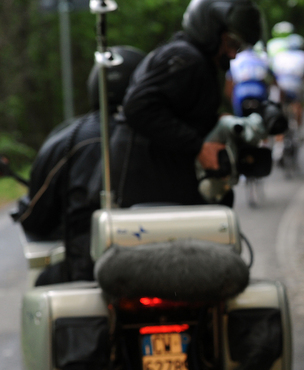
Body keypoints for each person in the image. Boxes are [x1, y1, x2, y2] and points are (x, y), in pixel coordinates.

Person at [110, 0, 263, 208]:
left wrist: (216, 122)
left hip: (159, 182)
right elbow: (138, 107)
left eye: (239, 48)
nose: (233, 55)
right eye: (231, 44)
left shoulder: (194, 59)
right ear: (210, 29)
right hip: (148, 186)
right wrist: (198, 147)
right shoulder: (186, 59)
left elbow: (178, 112)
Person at [14, 46, 145, 285]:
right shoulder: (170, 134)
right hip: (167, 265)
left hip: (87, 270)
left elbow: (36, 218)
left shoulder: (69, 139)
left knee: (43, 283)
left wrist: (25, 207)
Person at [270, 33, 304, 131]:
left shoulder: (279, 56)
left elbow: (273, 73)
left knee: (281, 105)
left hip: (280, 82)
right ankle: (298, 129)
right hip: (295, 82)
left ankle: (282, 127)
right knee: (297, 103)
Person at [226, 40, 271, 117]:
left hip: (241, 91)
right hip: (259, 89)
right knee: (264, 115)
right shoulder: (262, 57)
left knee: (240, 118)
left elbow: (228, 88)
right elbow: (271, 80)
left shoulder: (235, 59)